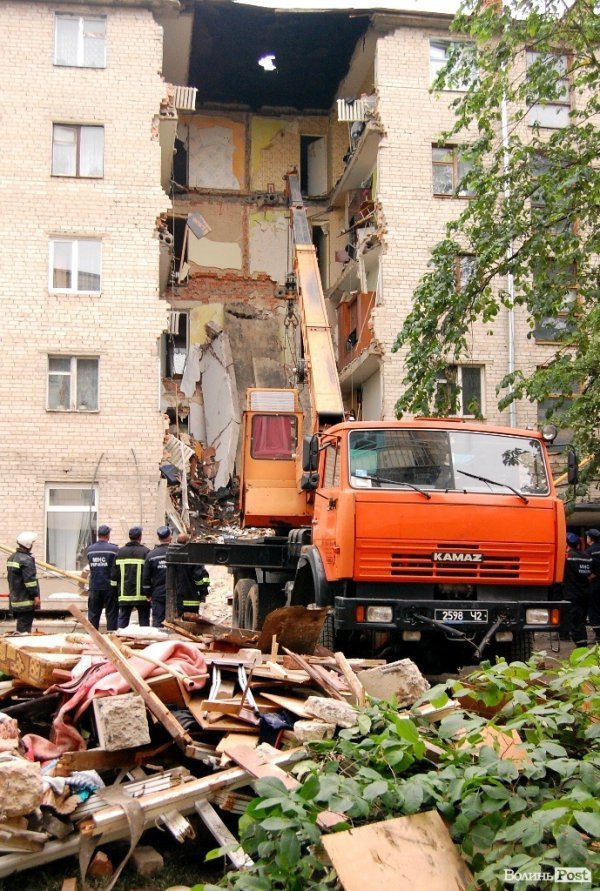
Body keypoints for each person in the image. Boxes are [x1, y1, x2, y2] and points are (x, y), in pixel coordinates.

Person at [111, 526, 150, 629]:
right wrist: (149, 591)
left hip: (124, 595)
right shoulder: (146, 552)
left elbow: (114, 575)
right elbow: (149, 574)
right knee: (144, 624)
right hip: (142, 596)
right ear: (140, 537)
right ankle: (145, 642)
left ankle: (119, 641)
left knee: (122, 621)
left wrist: (115, 592)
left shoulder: (120, 552)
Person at [85, 525, 119, 631]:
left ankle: (92, 639)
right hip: (110, 587)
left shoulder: (90, 549)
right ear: (108, 535)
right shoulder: (114, 549)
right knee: (112, 614)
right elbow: (116, 568)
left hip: (94, 586)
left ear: (98, 535)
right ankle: (111, 637)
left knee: (93, 615)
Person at [7, 532, 41, 633]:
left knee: (21, 626)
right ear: (28, 544)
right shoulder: (26, 560)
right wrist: (35, 596)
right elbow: (30, 581)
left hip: (15, 599)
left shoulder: (12, 557)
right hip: (25, 601)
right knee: (24, 631)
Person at [561, 532, 591, 647]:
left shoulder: (567, 557)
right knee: (582, 620)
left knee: (576, 621)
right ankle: (582, 642)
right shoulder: (586, 557)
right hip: (585, 593)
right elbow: (591, 573)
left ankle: (581, 646)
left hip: (572, 595)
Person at [173, 532, 210, 617]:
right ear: (188, 542)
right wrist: (203, 591)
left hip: (176, 600)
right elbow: (199, 577)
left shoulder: (173, 556)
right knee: (191, 623)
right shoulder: (193, 556)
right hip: (191, 599)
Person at [142, 525, 172, 628]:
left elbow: (146, 577)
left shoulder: (151, 555)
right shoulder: (177, 552)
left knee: (158, 621)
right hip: (174, 593)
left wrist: (148, 594)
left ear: (159, 538)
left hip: (157, 593)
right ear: (170, 536)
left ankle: (158, 641)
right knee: (174, 622)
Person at [585, 527, 600, 643]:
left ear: (590, 538)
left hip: (595, 584)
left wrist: (591, 576)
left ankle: (598, 635)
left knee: (594, 609)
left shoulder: (589, 552)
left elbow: (589, 569)